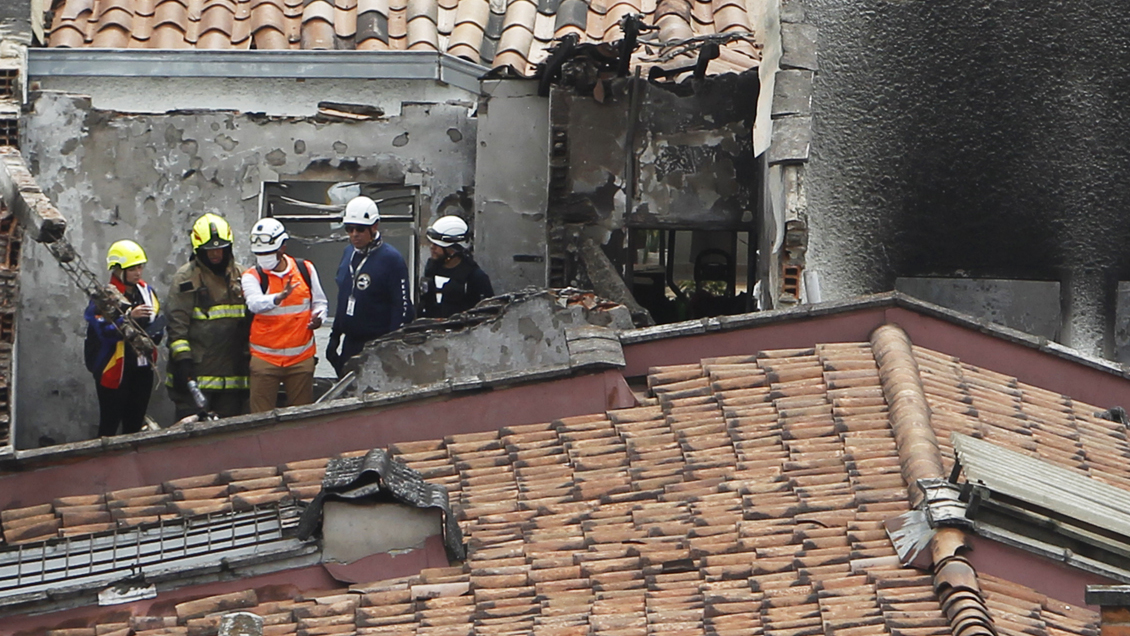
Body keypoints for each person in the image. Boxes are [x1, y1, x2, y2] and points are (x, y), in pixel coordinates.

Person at [166, 213, 250, 420]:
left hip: (234, 375)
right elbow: (177, 326)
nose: (215, 254)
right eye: (209, 249)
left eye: (219, 248)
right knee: (191, 437)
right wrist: (183, 363)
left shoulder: (243, 276)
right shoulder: (186, 279)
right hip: (196, 375)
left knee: (229, 438)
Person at [241, 218, 328, 412]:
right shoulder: (252, 276)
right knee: (260, 419)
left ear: (282, 247)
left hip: (300, 359)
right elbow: (254, 303)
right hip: (265, 360)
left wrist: (319, 317)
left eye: (268, 253)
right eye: (259, 254)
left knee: (301, 418)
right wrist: (278, 298)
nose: (263, 258)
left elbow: (320, 302)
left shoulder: (305, 269)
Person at [84, 240, 165, 436]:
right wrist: (129, 317)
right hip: (115, 369)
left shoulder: (147, 293)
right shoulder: (104, 296)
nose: (138, 272)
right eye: (132, 268)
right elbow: (103, 330)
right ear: (119, 270)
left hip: (142, 367)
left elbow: (157, 324)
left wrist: (153, 335)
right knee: (109, 424)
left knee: (135, 422)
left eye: (140, 267)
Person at [326, 196, 414, 376]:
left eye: (359, 229)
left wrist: (390, 349)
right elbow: (343, 296)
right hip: (351, 342)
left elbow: (402, 307)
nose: (354, 235)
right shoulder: (348, 253)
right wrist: (334, 337)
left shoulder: (391, 259)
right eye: (349, 229)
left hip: (376, 344)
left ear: (374, 227)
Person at [419, 215, 494, 319]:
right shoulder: (431, 268)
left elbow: (487, 314)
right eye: (431, 243)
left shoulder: (475, 277)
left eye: (438, 245)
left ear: (454, 249)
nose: (432, 247)